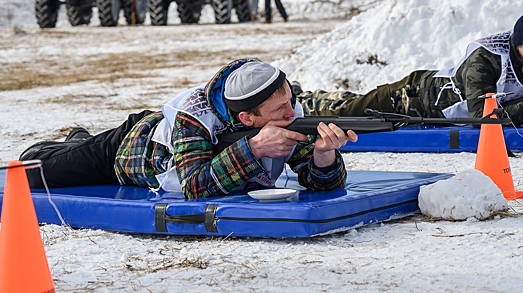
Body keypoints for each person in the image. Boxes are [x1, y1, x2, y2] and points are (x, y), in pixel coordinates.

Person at [20, 59, 357, 200]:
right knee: (33, 172)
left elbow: (322, 184)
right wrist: (253, 149)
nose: (291, 111)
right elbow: (193, 185)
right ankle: (74, 141)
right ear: (247, 120)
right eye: (280, 109)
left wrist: (323, 155)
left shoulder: (284, 110)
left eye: (290, 99)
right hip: (125, 151)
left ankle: (79, 139)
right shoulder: (193, 117)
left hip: (149, 151)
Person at [295, 15, 523, 127]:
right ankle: (300, 102)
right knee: (348, 113)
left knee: (353, 104)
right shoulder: (485, 60)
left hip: (433, 103)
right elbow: (482, 117)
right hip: (414, 96)